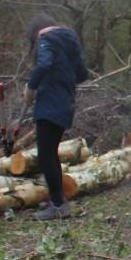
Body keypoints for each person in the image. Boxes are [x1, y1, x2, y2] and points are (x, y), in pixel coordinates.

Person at [25, 14, 90, 220]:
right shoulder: (69, 40)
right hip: (65, 102)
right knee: (50, 152)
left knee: (46, 154)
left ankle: (59, 205)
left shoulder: (46, 39)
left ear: (38, 32)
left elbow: (44, 65)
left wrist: (30, 87)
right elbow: (82, 73)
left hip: (50, 103)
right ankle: (57, 199)